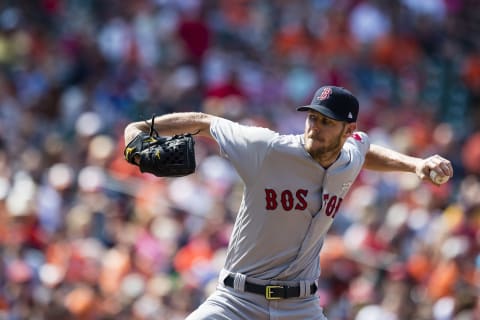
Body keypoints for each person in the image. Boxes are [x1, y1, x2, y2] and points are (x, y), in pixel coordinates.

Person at [123, 85, 453, 320]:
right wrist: (140, 128)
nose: (316, 128)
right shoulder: (268, 149)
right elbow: (206, 121)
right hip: (237, 301)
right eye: (313, 118)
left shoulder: (349, 155)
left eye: (327, 122)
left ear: (347, 129)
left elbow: (365, 150)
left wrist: (415, 165)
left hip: (301, 307)